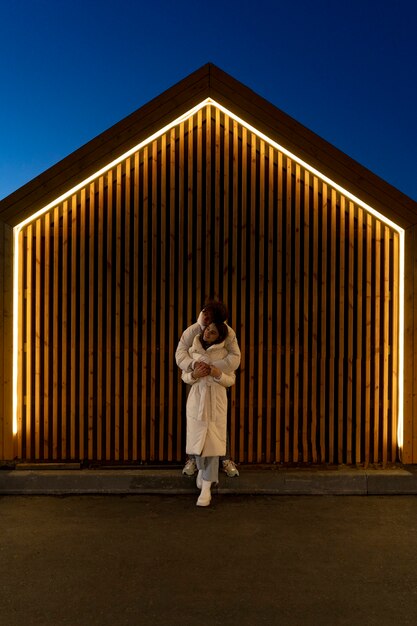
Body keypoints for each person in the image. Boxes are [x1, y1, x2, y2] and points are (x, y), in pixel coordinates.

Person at [175, 300, 241, 477]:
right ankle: (192, 458)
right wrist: (194, 366)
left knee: (219, 421)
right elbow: (180, 353)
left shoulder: (228, 333)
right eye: (205, 313)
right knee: (195, 422)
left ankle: (224, 459)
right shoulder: (193, 331)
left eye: (210, 317)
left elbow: (235, 357)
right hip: (197, 381)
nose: (205, 318)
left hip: (217, 382)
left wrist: (215, 368)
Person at [182, 320, 238, 506]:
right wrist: (194, 375)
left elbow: (231, 380)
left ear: (220, 337)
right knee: (199, 439)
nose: (208, 333)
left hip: (216, 401)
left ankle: (206, 489)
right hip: (197, 401)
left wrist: (217, 374)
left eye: (213, 332)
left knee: (213, 443)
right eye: (207, 329)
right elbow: (185, 376)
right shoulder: (193, 350)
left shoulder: (224, 354)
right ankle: (201, 470)